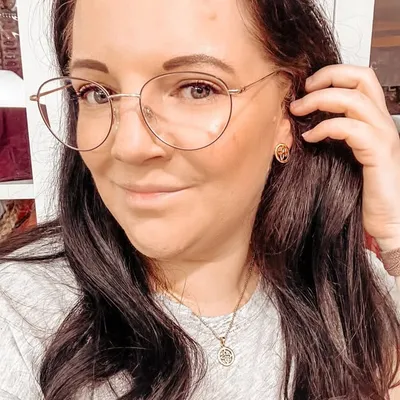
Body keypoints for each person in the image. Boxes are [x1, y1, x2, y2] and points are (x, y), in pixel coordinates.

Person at [1, 0, 400, 398]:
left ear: (288, 110)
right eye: (96, 93)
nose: (128, 146)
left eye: (197, 88)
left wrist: (395, 231)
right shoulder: (19, 318)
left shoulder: (347, 288)